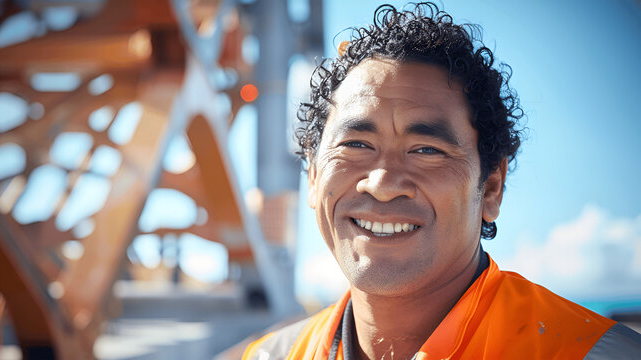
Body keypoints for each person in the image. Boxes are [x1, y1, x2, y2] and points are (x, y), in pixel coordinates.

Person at [242, 2, 641, 359]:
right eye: (357, 144)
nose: (382, 182)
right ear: (312, 176)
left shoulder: (592, 353)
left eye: (426, 150)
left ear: (491, 187)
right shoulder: (273, 355)